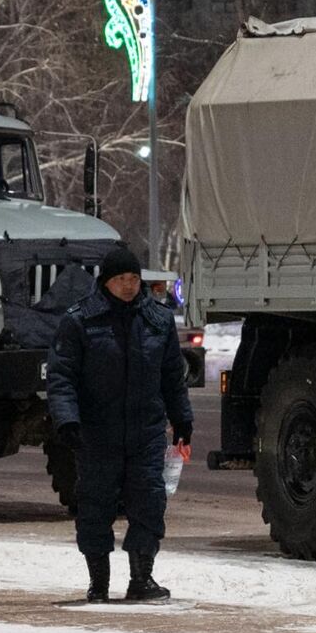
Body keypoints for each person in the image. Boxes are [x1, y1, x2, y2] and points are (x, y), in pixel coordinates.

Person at [46, 245, 194, 602]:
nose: (128, 286)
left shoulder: (157, 322)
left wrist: (182, 420)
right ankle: (98, 584)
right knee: (95, 505)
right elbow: (61, 376)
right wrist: (67, 420)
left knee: (148, 502)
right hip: (98, 433)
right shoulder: (80, 321)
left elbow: (173, 377)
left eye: (133, 278)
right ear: (106, 282)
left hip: (145, 432)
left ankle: (141, 579)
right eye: (120, 279)